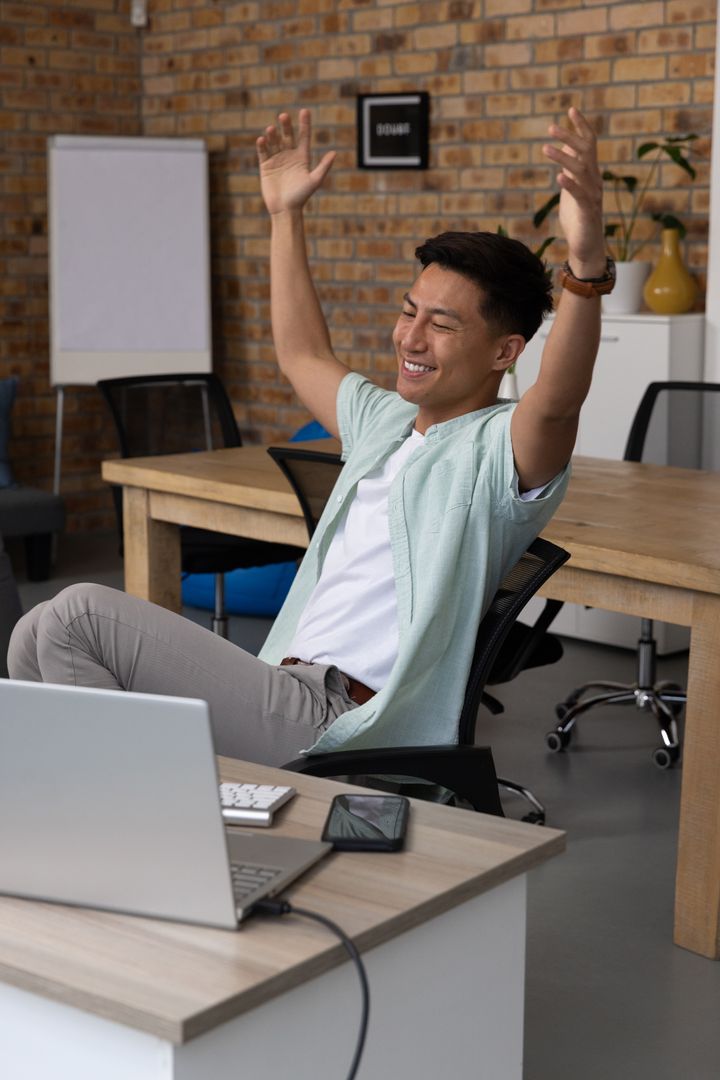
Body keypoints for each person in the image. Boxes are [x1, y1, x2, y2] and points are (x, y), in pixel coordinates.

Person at [8, 106, 612, 766]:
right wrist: (284, 215)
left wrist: (583, 268)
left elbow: (556, 404)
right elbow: (300, 353)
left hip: (342, 717)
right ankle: (116, 811)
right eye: (409, 312)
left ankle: (126, 817)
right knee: (34, 633)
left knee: (77, 618)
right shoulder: (384, 423)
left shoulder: (498, 452)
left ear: (505, 352)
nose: (409, 338)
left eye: (440, 325)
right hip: (280, 683)